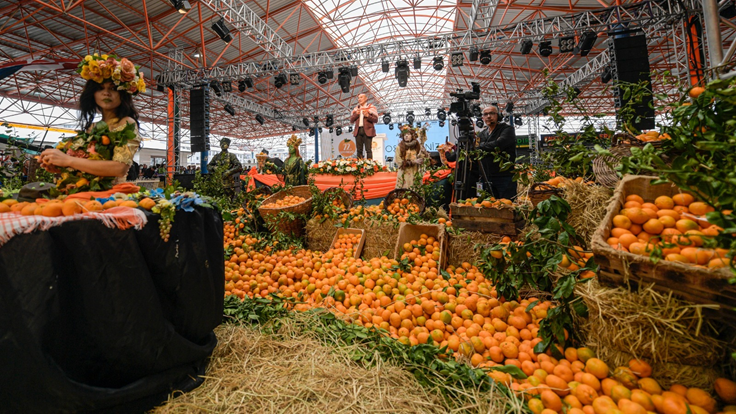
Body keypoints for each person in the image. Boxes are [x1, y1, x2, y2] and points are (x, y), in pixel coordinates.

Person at [39, 54, 145, 185]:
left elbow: (120, 168)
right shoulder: (92, 127)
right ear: (92, 94)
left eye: (113, 88)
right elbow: (86, 164)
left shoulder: (126, 123)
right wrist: (59, 166)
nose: (106, 93)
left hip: (112, 197)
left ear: (123, 94)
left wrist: (67, 160)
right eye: (100, 89)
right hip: (84, 192)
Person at [476, 105, 517, 200]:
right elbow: (475, 148)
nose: (489, 116)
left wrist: (481, 146)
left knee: (506, 206)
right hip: (485, 177)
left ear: (498, 115)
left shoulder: (507, 129)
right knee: (487, 207)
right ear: (483, 117)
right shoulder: (481, 134)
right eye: (486, 114)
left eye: (491, 113)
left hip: (504, 176)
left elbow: (499, 144)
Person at [395, 125, 427, 189]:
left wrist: (424, 153)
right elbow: (399, 162)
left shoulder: (417, 146)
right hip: (404, 174)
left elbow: (423, 159)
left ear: (412, 136)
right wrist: (413, 162)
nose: (406, 136)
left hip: (415, 173)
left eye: (408, 134)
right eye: (404, 135)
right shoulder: (399, 147)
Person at [349, 93, 378, 160]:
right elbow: (351, 120)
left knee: (368, 149)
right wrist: (356, 114)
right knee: (359, 150)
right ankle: (360, 166)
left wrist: (368, 116)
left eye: (361, 97)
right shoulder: (356, 109)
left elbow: (376, 120)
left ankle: (369, 165)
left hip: (368, 130)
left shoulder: (371, 108)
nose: (359, 99)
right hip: (358, 131)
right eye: (358, 98)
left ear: (366, 99)